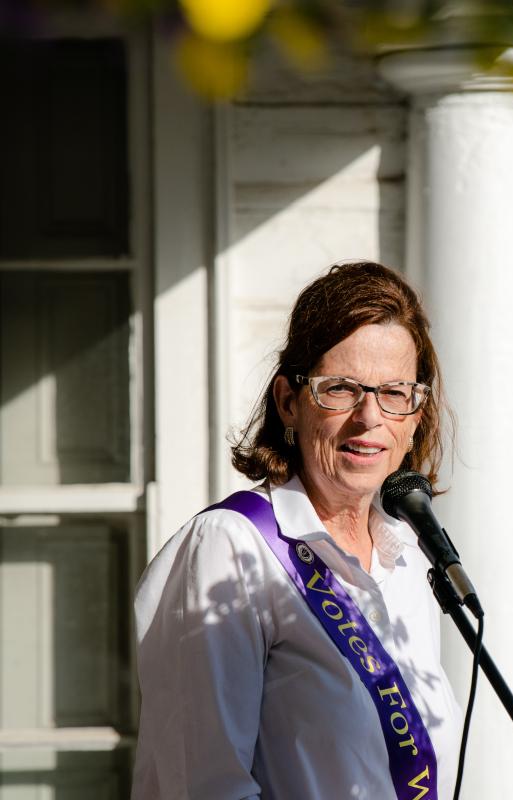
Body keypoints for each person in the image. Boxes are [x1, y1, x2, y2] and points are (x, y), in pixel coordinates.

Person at [131, 261, 462, 799]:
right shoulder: (232, 548)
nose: (369, 418)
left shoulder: (405, 556)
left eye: (395, 393)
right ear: (289, 401)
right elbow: (202, 786)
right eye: (340, 389)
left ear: (416, 414)